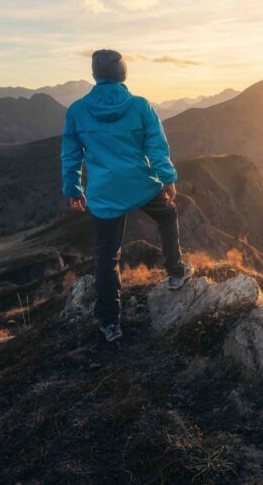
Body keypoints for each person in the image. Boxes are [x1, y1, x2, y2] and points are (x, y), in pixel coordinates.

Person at [60, 49, 192, 342]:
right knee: (168, 215)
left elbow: (71, 156)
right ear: (123, 74)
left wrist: (73, 189)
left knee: (107, 256)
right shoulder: (141, 106)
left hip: (104, 193)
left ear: (95, 74)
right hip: (140, 184)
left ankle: (110, 322)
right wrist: (168, 179)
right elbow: (156, 147)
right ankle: (175, 271)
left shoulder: (78, 111)